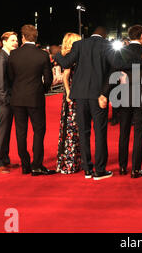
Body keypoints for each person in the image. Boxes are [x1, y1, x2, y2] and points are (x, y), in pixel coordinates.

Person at [55, 27, 124, 181]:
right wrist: (104, 93)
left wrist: (57, 53)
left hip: (80, 95)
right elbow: (116, 68)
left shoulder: (80, 44)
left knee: (84, 133)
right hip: (98, 95)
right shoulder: (107, 45)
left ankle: (87, 169)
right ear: (104, 34)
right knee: (100, 133)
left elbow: (66, 62)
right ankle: (99, 171)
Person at [8, 25, 56, 177]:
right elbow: (49, 79)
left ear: (23, 37)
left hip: (17, 97)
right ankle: (37, 165)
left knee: (20, 132)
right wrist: (42, 89)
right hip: (35, 97)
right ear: (35, 37)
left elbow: (10, 78)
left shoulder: (13, 55)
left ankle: (25, 165)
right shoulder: (42, 55)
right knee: (38, 131)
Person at [110, 25, 142, 179]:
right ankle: (135, 169)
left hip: (124, 94)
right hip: (141, 94)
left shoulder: (121, 52)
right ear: (141, 36)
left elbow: (114, 70)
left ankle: (122, 167)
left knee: (124, 132)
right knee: (139, 133)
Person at [0, 32, 20, 174]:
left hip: (9, 100)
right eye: (12, 40)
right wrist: (5, 101)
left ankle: (5, 159)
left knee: (7, 131)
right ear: (4, 42)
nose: (16, 42)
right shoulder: (0, 58)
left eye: (16, 40)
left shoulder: (8, 56)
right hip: (4, 101)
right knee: (2, 131)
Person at [56, 33, 82, 175]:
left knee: (75, 129)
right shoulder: (69, 57)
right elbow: (66, 76)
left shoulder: (72, 56)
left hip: (75, 95)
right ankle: (70, 162)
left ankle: (76, 160)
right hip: (72, 98)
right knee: (72, 129)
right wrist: (68, 93)